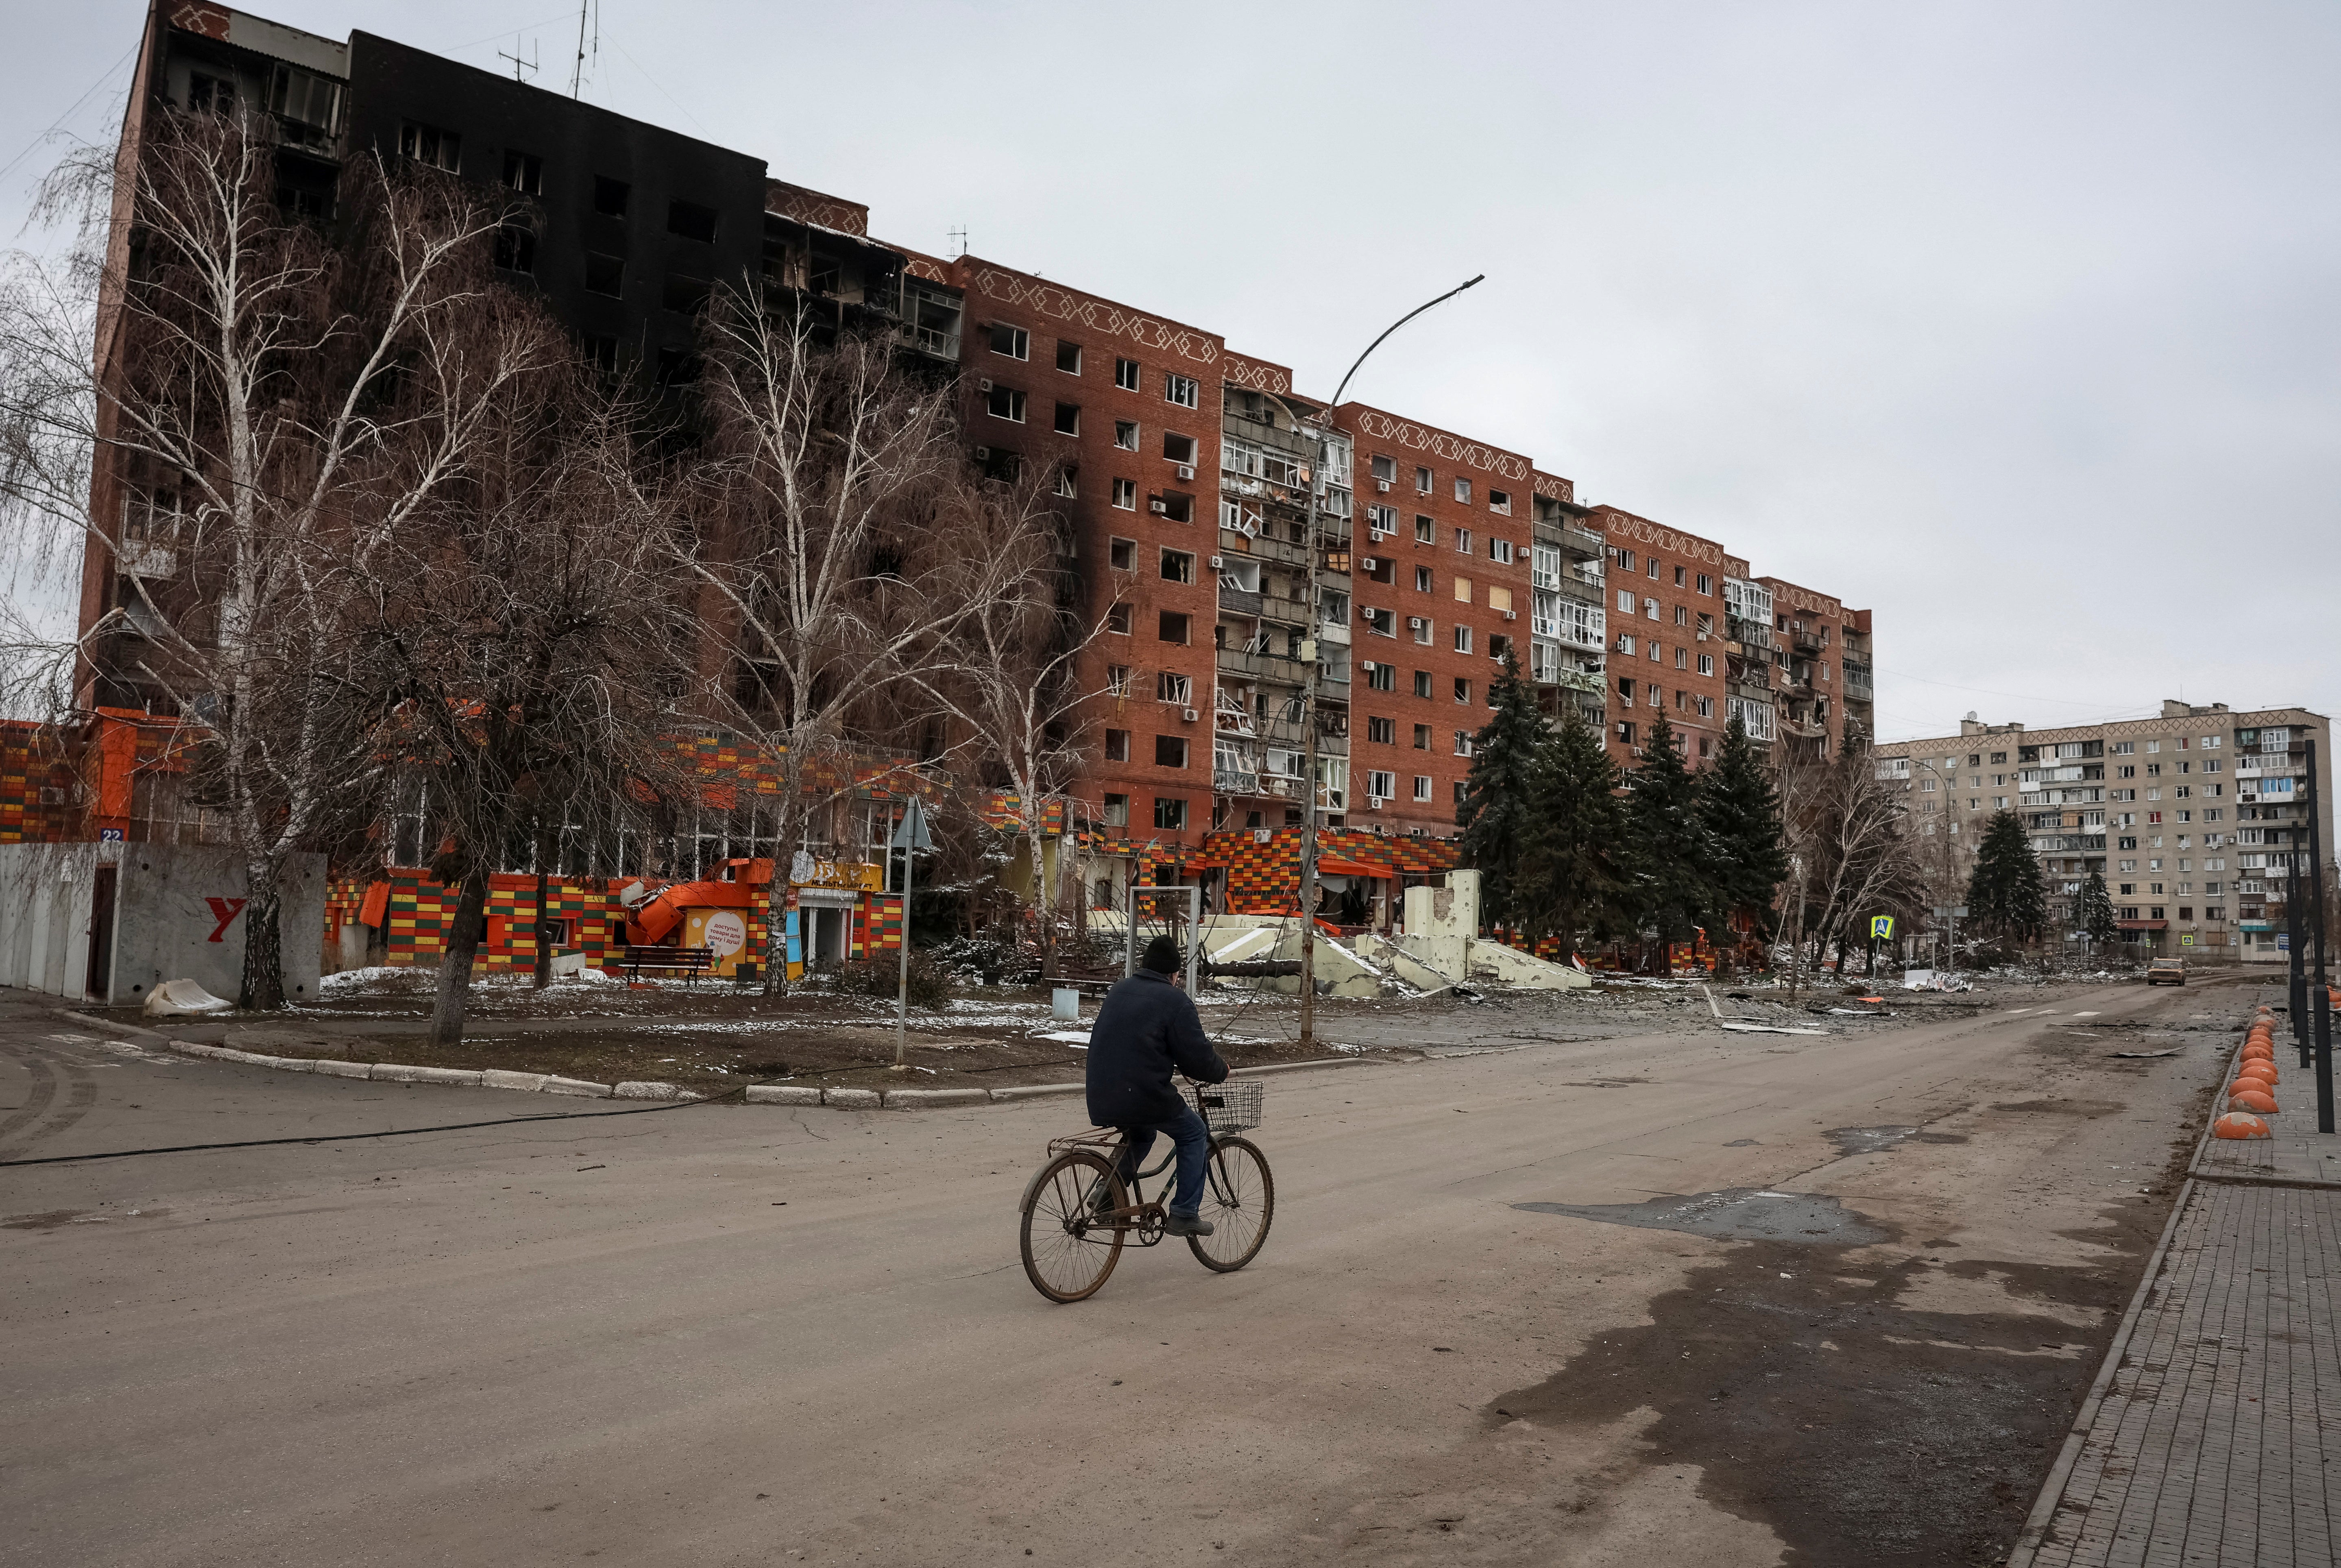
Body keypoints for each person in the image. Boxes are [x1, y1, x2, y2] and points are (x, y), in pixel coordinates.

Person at [1086, 934, 1229, 1237]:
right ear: (1174, 975)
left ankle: (1106, 1194)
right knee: (1194, 1133)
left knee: (1143, 1134)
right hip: (1143, 1095)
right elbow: (1197, 1058)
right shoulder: (1175, 1001)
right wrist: (1221, 1071)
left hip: (1101, 1092)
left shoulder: (1120, 990)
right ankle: (1185, 1213)